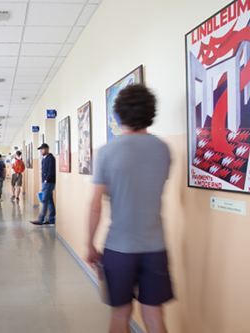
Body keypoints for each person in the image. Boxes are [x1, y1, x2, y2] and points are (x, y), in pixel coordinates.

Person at [87, 84, 173, 333]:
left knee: (120, 314)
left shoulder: (107, 151)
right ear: (150, 113)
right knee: (155, 317)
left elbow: (95, 205)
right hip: (155, 246)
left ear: (118, 115)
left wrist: (89, 243)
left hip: (119, 248)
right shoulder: (163, 149)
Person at [30, 143, 56, 225]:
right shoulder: (44, 159)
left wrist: (46, 181)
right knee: (49, 201)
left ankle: (40, 220)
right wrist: (43, 184)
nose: (41, 150)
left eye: (43, 149)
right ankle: (51, 219)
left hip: (48, 182)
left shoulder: (50, 158)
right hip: (45, 183)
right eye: (40, 149)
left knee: (44, 200)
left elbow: (51, 171)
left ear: (47, 149)